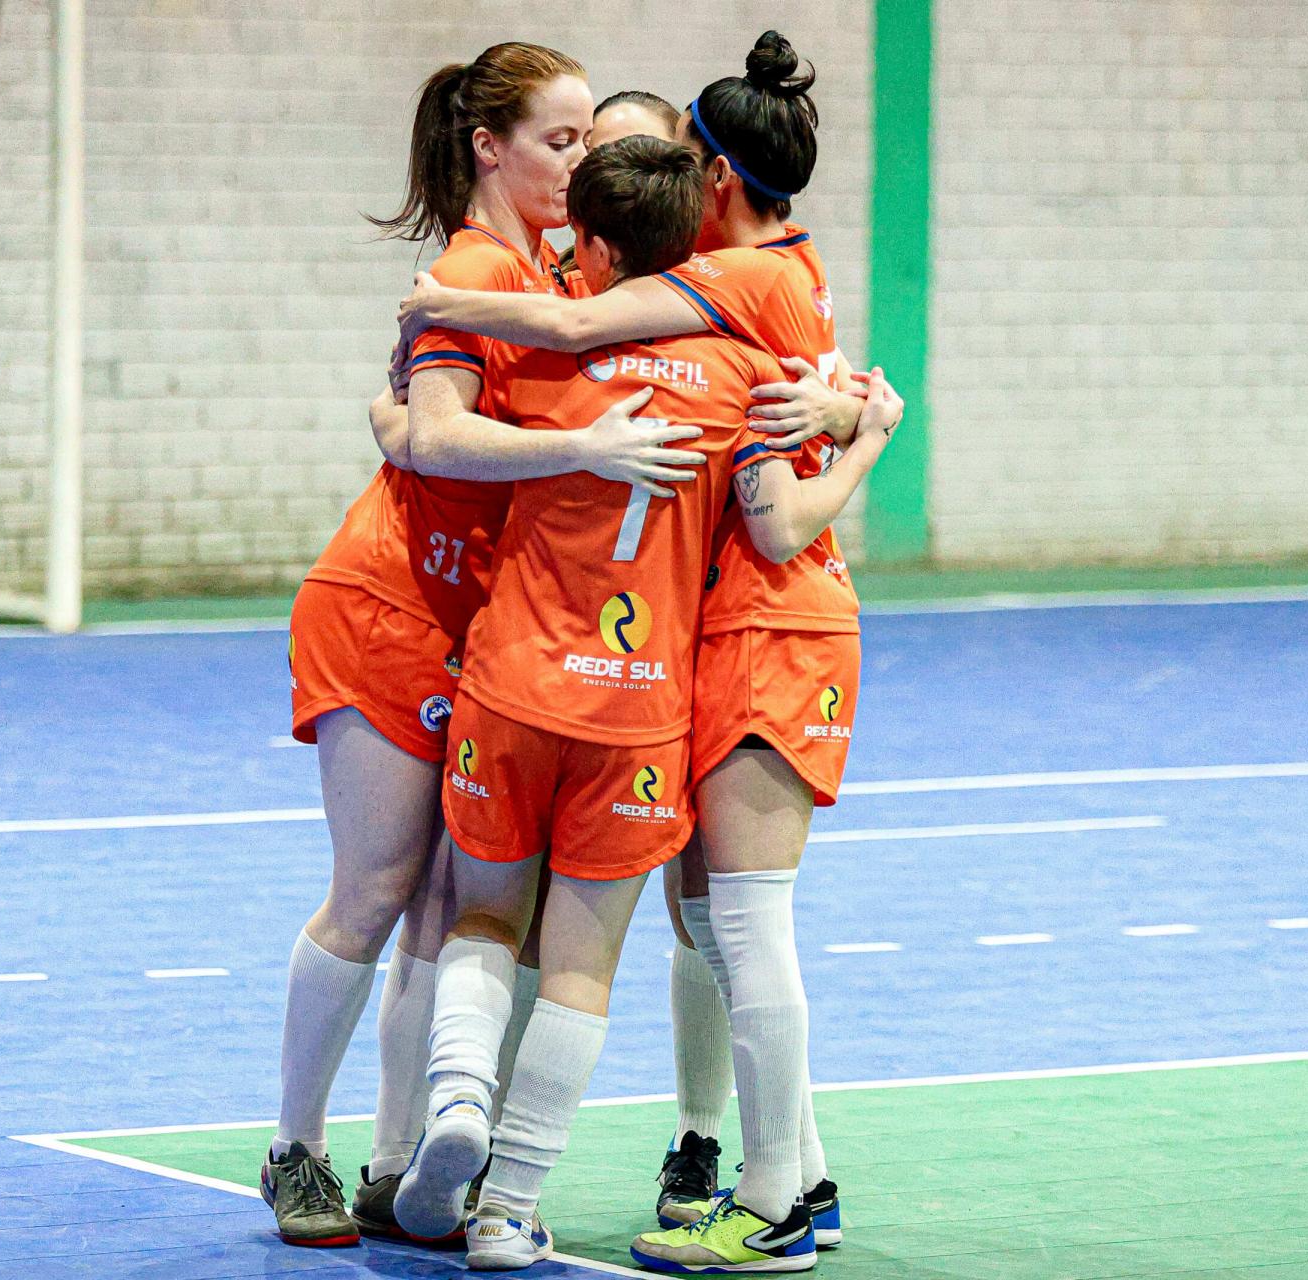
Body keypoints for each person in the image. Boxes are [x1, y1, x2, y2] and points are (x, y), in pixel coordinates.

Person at [398, 31, 875, 1269]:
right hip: (667, 672)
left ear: (699, 175)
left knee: (699, 921)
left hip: (733, 631)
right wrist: (853, 409)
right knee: (689, 927)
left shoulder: (655, 317)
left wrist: (431, 337)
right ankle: (755, 1174)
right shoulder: (745, 317)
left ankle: (750, 1186)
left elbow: (562, 358)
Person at [262, 42, 708, 1250]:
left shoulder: (561, 275)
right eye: (561, 143)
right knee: (375, 890)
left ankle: (402, 1164)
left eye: (591, 146)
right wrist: (575, 451)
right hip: (388, 607)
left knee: (451, 907)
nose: (580, 165)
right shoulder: (470, 265)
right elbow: (440, 439)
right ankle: (293, 1145)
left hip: (491, 633)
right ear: (489, 148)